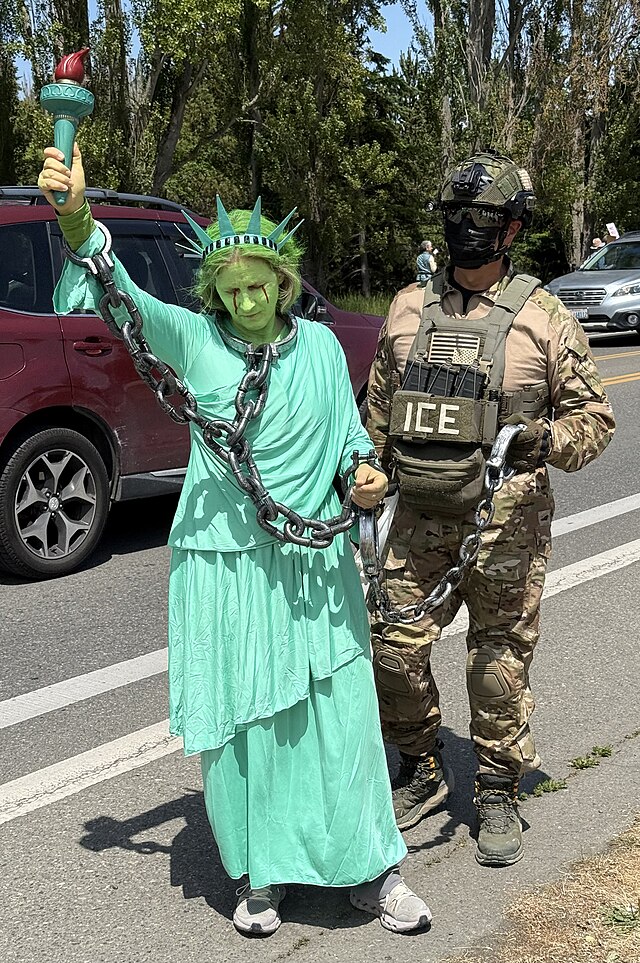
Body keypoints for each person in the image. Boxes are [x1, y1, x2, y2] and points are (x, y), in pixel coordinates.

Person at [38, 144, 432, 935]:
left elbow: (351, 439)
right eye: (232, 288)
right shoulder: (194, 339)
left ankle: (372, 868)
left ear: (284, 282)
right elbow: (124, 303)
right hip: (226, 564)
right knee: (247, 722)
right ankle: (264, 871)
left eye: (261, 285)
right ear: (213, 289)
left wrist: (362, 473)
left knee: (342, 714)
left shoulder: (320, 348)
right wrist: (77, 219)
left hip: (313, 562)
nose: (248, 300)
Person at [366, 149, 615, 867]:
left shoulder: (544, 316)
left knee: (496, 664)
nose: (467, 228)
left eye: (483, 217)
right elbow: (377, 414)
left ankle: (499, 786)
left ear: (511, 229)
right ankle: (421, 763)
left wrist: (544, 440)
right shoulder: (407, 309)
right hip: (418, 520)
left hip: (507, 529)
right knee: (391, 648)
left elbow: (595, 421)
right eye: (457, 215)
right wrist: (363, 470)